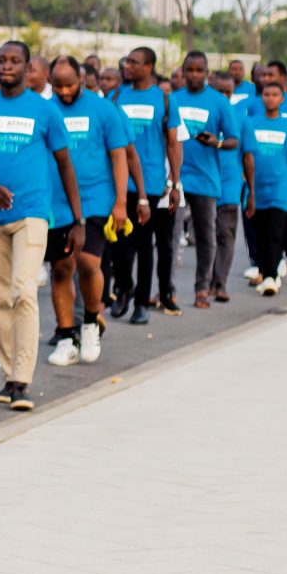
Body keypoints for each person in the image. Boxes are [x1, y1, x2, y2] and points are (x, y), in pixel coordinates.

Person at [0, 40, 78, 411]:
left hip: (32, 212)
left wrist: (77, 219)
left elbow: (65, 164)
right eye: (2, 61)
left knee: (23, 290)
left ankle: (23, 381)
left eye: (16, 61)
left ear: (28, 68)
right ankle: (10, 374)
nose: (7, 66)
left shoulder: (45, 111)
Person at [44, 56, 132, 368]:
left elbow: (119, 156)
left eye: (70, 84)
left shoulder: (104, 109)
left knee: (87, 262)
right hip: (57, 201)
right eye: (58, 85)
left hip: (96, 198)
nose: (64, 91)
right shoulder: (46, 109)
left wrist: (121, 202)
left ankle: (91, 322)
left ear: (81, 79)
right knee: (61, 267)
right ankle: (66, 336)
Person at [109, 48, 181, 324]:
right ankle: (123, 287)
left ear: (149, 66)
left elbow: (173, 144)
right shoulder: (116, 97)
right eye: (127, 61)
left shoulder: (164, 100)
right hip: (118, 181)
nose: (128, 66)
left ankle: (141, 303)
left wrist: (174, 183)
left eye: (134, 62)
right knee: (119, 243)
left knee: (143, 244)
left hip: (149, 184)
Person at [170, 51, 240, 307]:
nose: (194, 75)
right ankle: (167, 289)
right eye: (190, 70)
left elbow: (233, 140)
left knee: (206, 236)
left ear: (207, 73)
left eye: (199, 70)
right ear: (183, 71)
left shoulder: (219, 102)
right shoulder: (173, 99)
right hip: (176, 178)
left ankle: (202, 288)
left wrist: (216, 142)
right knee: (171, 236)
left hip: (205, 179)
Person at [238, 77, 287, 296]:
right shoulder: (250, 123)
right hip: (255, 188)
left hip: (281, 187)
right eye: (266, 95)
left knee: (274, 231)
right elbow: (244, 154)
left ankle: (271, 277)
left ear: (282, 99)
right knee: (259, 233)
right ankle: (284, 260)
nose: (270, 99)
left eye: (275, 95)